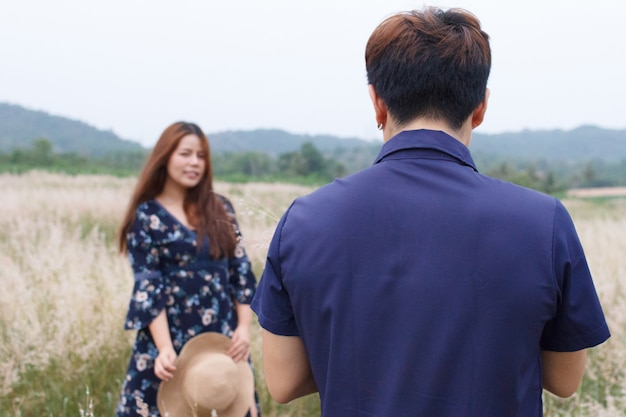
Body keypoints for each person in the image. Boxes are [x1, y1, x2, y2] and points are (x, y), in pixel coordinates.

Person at [251, 7, 610, 417]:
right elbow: (564, 380)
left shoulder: (304, 220)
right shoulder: (544, 221)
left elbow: (282, 382)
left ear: (377, 103)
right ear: (481, 106)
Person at [115, 121, 260, 417]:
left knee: (225, 404)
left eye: (201, 156)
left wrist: (243, 329)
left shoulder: (222, 209)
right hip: (168, 341)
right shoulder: (147, 216)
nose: (194, 162)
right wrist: (165, 349)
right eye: (185, 154)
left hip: (221, 341)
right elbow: (148, 288)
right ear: (165, 156)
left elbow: (241, 275)